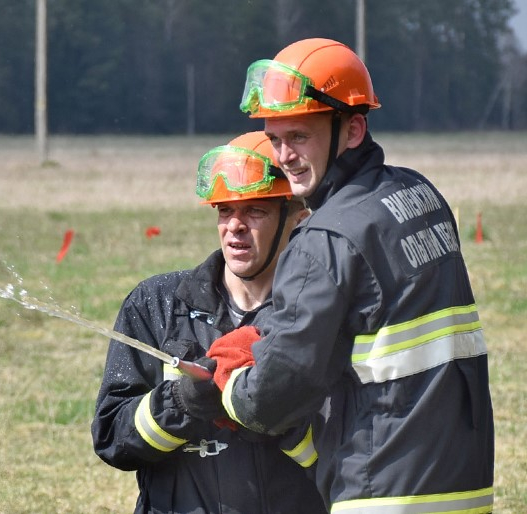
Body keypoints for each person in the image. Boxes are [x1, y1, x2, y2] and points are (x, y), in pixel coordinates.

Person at [208, 38, 493, 510]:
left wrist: (230, 382)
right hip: (464, 481)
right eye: (275, 139)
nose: (284, 156)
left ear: (353, 129)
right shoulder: (420, 195)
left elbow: (274, 396)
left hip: (383, 486)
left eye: (299, 136)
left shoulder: (325, 238)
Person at [92, 132, 322, 513]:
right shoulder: (156, 304)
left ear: (297, 220)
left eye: (255, 211)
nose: (235, 226)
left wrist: (278, 416)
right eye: (225, 210)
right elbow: (112, 438)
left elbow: (348, 459)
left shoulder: (317, 316)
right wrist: (181, 402)